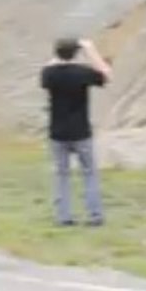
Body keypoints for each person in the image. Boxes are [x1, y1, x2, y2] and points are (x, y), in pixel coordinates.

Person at [41, 38, 112, 227]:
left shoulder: (49, 74)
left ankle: (63, 217)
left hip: (57, 133)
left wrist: (60, 54)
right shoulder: (82, 73)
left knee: (61, 175)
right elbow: (106, 74)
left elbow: (49, 67)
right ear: (76, 53)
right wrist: (90, 50)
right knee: (89, 173)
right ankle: (95, 215)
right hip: (81, 132)